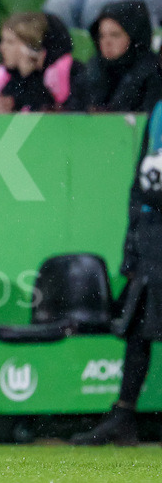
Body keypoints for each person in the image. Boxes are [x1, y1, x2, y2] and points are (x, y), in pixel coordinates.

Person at [71, 99, 162, 445]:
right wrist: (133, 243)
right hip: (152, 234)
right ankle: (124, 417)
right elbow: (139, 186)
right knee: (138, 329)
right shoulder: (157, 112)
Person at [69, 0, 162, 112]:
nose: (107, 42)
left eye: (115, 35)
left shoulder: (152, 73)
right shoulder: (92, 69)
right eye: (102, 35)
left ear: (134, 37)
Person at [0, 11, 85, 112]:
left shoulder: (69, 73)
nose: (1, 48)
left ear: (29, 47)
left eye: (10, 42)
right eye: (2, 41)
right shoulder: (6, 77)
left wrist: (27, 73)